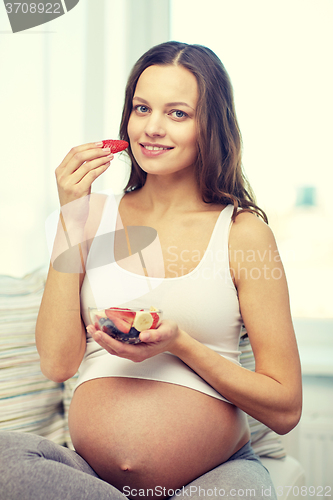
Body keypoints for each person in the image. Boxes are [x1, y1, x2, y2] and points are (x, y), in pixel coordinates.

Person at [0, 41, 302, 500]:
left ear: (210, 126)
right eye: (142, 108)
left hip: (214, 476)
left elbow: (285, 409)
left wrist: (181, 344)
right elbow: (57, 363)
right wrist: (71, 217)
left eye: (178, 113)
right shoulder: (91, 215)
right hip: (92, 478)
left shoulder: (242, 232)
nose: (153, 128)